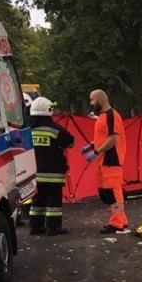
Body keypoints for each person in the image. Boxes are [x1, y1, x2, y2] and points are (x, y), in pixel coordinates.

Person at [81, 89, 129, 233]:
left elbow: (113, 138)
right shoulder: (103, 116)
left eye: (92, 100)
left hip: (111, 159)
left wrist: (96, 151)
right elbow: (104, 137)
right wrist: (91, 145)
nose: (91, 103)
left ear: (100, 100)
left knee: (112, 193)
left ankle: (116, 223)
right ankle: (121, 220)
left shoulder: (111, 116)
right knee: (106, 192)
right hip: (104, 159)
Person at [29, 97, 75, 236]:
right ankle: (53, 228)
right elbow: (71, 142)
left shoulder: (27, 131)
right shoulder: (54, 130)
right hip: (54, 172)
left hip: (35, 173)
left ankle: (35, 227)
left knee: (37, 200)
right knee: (53, 201)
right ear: (49, 111)